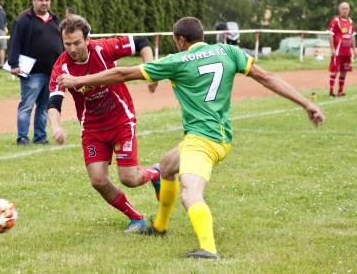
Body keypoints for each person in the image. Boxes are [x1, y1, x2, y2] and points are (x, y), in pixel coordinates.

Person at [56, 16, 326, 259]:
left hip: (203, 142)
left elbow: (122, 73)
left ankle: (208, 249)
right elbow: (266, 77)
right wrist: (306, 103)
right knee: (168, 165)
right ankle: (159, 226)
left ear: (181, 40)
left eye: (175, 42)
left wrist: (81, 81)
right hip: (217, 136)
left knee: (190, 194)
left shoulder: (177, 61)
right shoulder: (229, 51)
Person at [47, 15, 161, 233]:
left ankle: (156, 173)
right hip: (92, 128)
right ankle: (136, 218)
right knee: (98, 180)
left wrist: (151, 73)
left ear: (87, 39)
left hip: (120, 120)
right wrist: (55, 126)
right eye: (67, 44)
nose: (72, 49)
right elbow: (53, 102)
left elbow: (143, 43)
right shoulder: (61, 67)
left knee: (129, 178)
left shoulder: (103, 49)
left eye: (77, 43)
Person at [7, 0, 64, 146]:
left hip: (52, 72)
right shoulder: (23, 19)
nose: (44, 3)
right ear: (33, 0)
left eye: (47, 0)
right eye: (41, 0)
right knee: (27, 106)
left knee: (44, 107)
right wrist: (13, 63)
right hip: (31, 72)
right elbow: (15, 42)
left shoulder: (54, 19)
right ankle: (22, 137)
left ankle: (40, 137)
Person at [327, 2, 357, 97]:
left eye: (346, 9)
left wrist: (354, 49)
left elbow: (352, 36)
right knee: (335, 71)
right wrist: (332, 48)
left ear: (349, 10)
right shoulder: (335, 21)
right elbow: (330, 34)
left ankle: (340, 91)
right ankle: (331, 91)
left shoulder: (350, 22)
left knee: (344, 71)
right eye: (343, 8)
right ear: (339, 10)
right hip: (338, 52)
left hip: (347, 53)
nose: (345, 10)